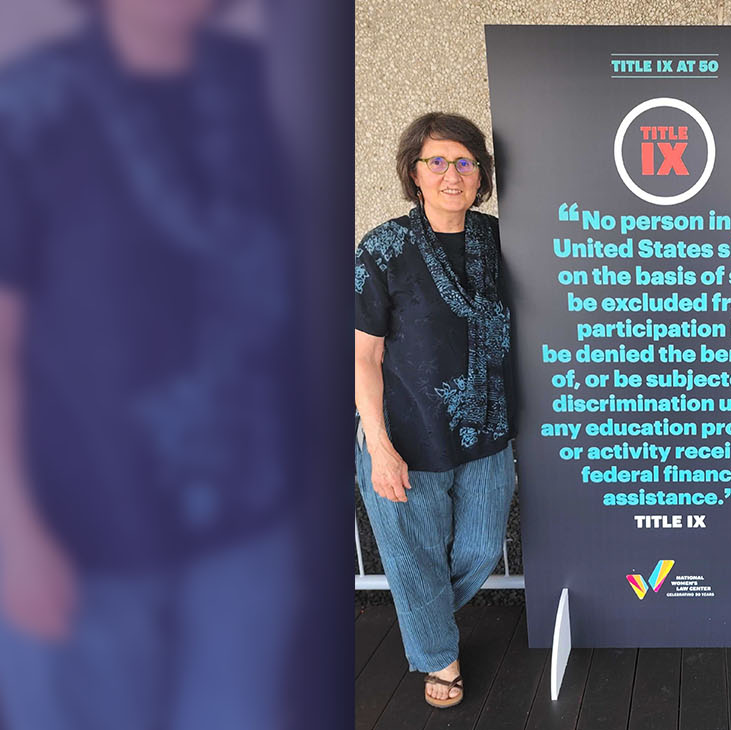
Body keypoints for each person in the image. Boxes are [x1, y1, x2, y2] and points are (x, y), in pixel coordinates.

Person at [0, 1, 302, 728]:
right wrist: (13, 534)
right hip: (87, 537)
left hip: (249, 531)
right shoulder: (30, 104)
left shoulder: (258, 84)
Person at [354, 112, 516, 709]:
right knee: (412, 556)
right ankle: (439, 659)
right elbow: (362, 356)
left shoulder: (502, 240)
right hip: (404, 436)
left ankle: (424, 615)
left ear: (481, 175)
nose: (453, 174)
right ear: (414, 174)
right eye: (437, 162)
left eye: (466, 162)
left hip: (488, 433)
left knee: (477, 547)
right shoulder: (384, 248)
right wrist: (378, 445)